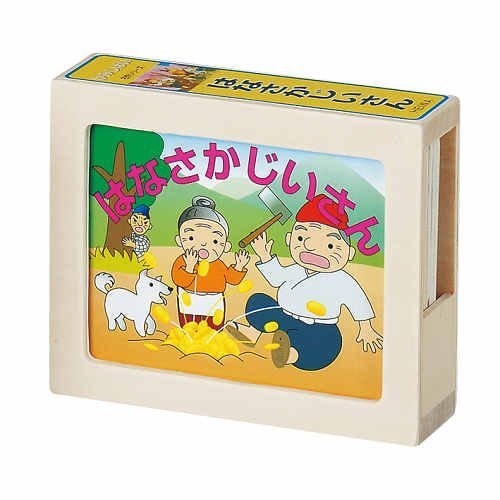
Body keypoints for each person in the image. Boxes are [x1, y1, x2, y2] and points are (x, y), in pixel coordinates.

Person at [227, 194, 382, 371]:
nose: (312, 248)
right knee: (259, 302)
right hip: (283, 316)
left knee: (328, 344)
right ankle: (252, 333)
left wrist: (366, 327)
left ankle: (290, 354)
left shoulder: (342, 280)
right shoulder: (296, 269)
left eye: (330, 246)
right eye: (301, 239)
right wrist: (264, 255)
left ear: (349, 253)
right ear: (289, 239)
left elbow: (357, 300)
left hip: (318, 328)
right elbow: (276, 279)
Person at [171, 196, 250, 329]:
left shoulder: (218, 265)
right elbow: (179, 281)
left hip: (214, 303)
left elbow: (231, 279)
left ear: (226, 246)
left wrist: (239, 266)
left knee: (213, 330)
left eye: (214, 241)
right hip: (189, 302)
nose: (203, 244)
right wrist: (189, 267)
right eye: (191, 238)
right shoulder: (183, 260)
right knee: (189, 328)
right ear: (179, 240)